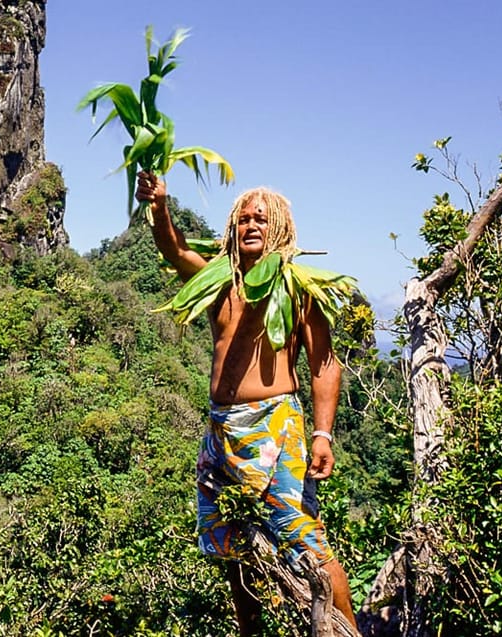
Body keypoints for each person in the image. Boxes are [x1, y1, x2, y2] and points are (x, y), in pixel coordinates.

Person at [135, 172, 358, 635]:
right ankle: (249, 631)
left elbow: (324, 364)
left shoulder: (298, 289)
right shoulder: (218, 282)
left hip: (275, 426)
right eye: (242, 219)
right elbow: (175, 250)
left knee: (305, 541)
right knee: (231, 541)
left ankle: (347, 631)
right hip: (221, 430)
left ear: (279, 227)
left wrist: (322, 434)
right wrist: (159, 205)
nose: (250, 225)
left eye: (261, 218)